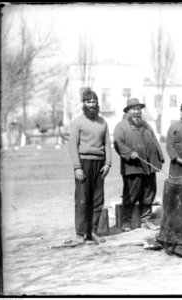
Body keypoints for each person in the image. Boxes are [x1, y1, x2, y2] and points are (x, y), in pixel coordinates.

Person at [113, 98, 164, 232]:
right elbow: (118, 143)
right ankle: (126, 221)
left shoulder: (147, 125)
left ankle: (146, 219)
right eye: (134, 109)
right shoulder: (121, 127)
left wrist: (160, 158)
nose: (137, 112)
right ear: (128, 111)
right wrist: (129, 153)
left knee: (149, 193)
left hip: (149, 166)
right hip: (133, 167)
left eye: (138, 109)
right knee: (131, 194)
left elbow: (154, 141)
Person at [68, 88, 111, 244]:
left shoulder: (103, 122)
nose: (91, 104)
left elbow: (107, 143)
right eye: (88, 101)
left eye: (94, 101)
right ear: (84, 104)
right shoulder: (77, 122)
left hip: (99, 164)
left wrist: (108, 163)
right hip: (83, 163)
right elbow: (72, 146)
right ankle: (80, 234)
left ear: (97, 103)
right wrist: (77, 167)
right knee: (82, 200)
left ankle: (92, 232)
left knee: (98, 199)